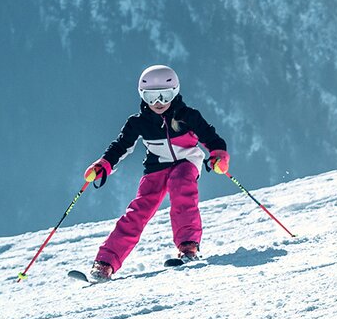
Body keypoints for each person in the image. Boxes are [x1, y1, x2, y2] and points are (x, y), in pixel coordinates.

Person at [81, 65, 230, 281]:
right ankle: (105, 263)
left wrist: (218, 155)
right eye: (151, 97)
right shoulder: (138, 122)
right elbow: (120, 146)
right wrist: (104, 164)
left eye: (165, 95)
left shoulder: (188, 116)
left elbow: (211, 137)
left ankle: (188, 247)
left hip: (186, 161)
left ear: (175, 92)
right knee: (139, 209)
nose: (158, 102)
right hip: (156, 167)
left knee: (181, 185)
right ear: (143, 96)